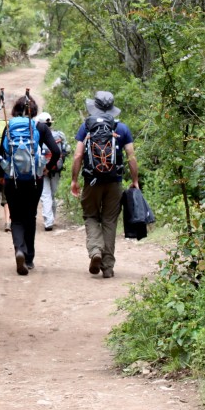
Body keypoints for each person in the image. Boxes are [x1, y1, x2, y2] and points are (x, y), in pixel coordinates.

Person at [70, 91, 138, 278]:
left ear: (95, 107)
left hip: (91, 181)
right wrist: (135, 180)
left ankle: (95, 251)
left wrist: (74, 180)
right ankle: (107, 267)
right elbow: (131, 157)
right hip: (114, 181)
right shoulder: (122, 128)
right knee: (110, 221)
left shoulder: (86, 127)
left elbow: (77, 155)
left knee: (91, 216)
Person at [0, 93, 60, 275]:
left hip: (13, 179)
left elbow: (1, 153)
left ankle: (19, 249)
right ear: (33, 111)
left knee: (16, 218)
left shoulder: (9, 127)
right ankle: (29, 258)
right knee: (30, 217)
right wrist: (47, 168)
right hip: (35, 180)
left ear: (15, 110)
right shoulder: (40, 127)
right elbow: (55, 151)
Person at [34, 112, 68, 232]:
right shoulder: (60, 135)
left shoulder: (36, 134)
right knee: (52, 194)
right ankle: (51, 218)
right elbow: (66, 150)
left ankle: (48, 221)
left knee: (45, 195)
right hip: (55, 168)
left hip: (42, 168)